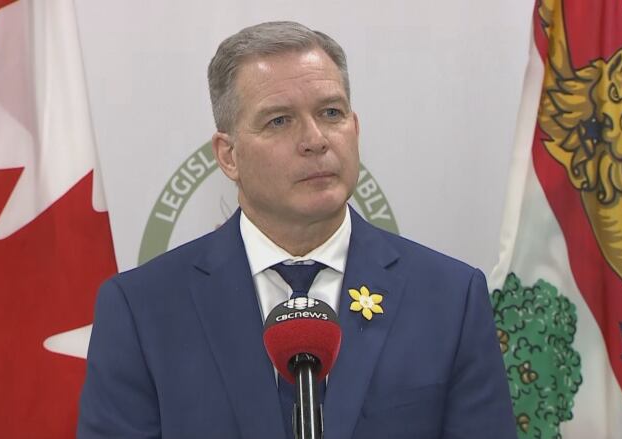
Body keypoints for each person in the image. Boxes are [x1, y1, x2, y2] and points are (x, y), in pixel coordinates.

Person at [77, 21, 516, 439]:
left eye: (331, 113)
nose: (315, 139)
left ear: (355, 128)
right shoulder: (143, 311)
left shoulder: (450, 298)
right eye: (279, 121)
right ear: (228, 156)